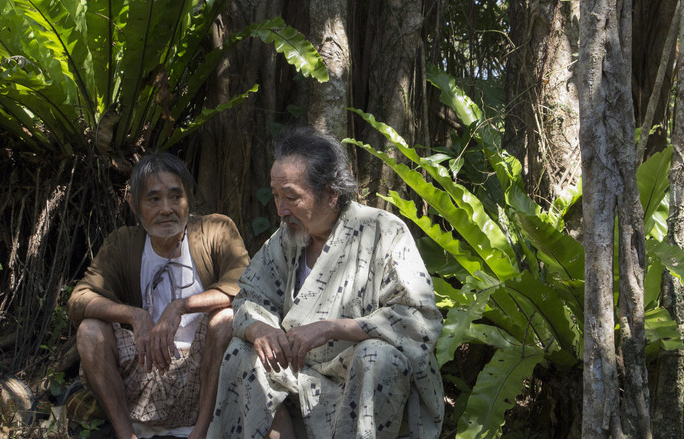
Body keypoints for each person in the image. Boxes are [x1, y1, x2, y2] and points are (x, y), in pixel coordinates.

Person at [208, 127, 445, 439]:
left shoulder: (383, 231)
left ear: (331, 194)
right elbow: (249, 298)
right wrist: (260, 330)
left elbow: (419, 319)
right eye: (276, 195)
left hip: (360, 382)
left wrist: (331, 328)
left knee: (378, 355)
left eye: (291, 196)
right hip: (297, 379)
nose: (280, 209)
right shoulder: (286, 239)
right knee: (243, 350)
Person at [67, 151, 250, 439]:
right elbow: (79, 298)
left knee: (226, 320)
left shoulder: (216, 230)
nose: (166, 209)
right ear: (134, 204)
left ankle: (202, 432)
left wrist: (180, 307)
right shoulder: (122, 243)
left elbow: (243, 284)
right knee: (90, 331)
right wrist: (134, 315)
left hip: (203, 376)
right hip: (145, 377)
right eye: (153, 199)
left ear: (188, 198)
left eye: (176, 197)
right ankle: (126, 434)